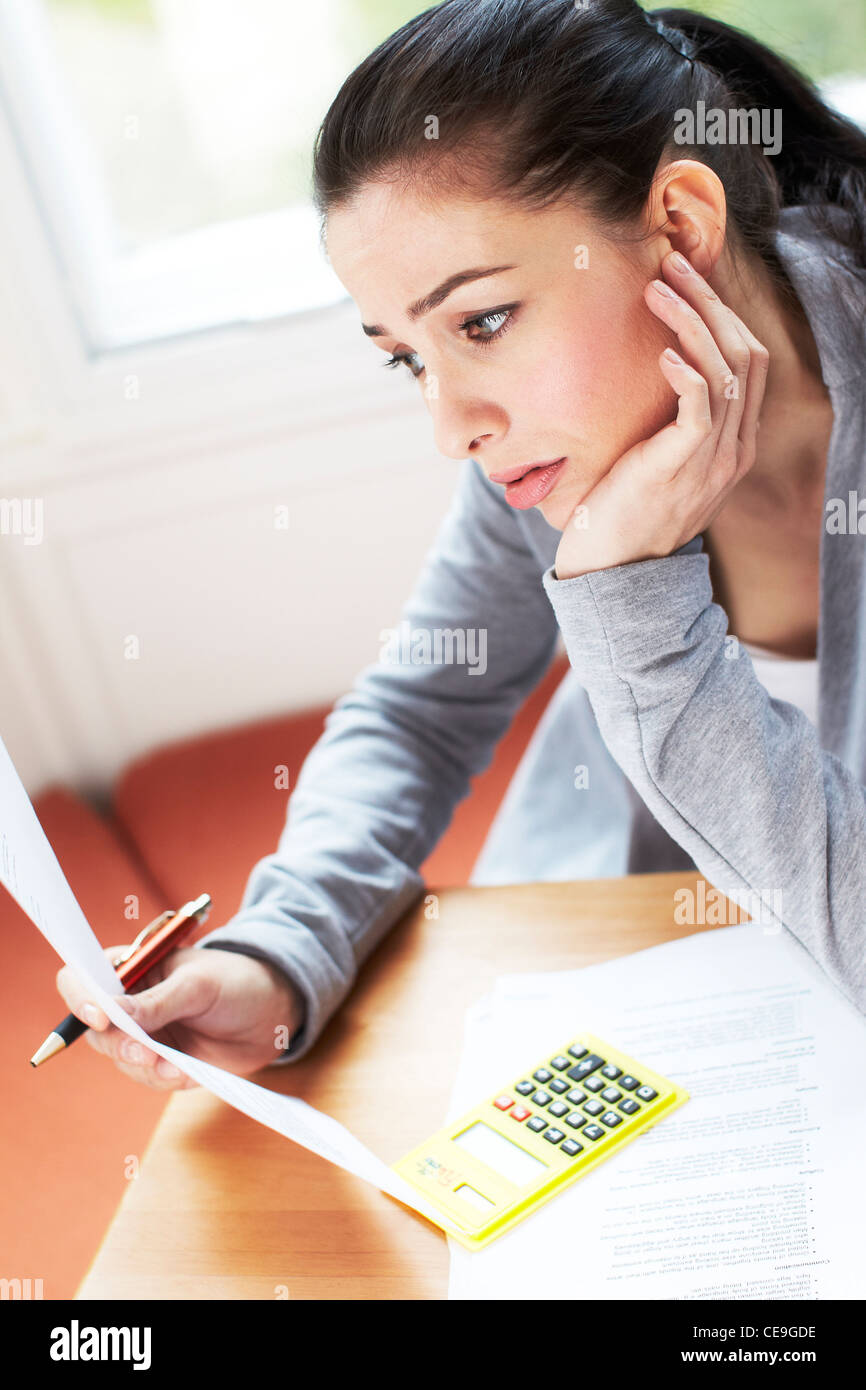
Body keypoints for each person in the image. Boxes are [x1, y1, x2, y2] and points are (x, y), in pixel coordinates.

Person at [57, 0, 866, 1089]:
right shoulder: (554, 453)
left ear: (679, 225)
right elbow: (416, 712)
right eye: (406, 357)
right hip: (657, 1009)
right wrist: (278, 949)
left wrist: (631, 600)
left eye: (481, 321)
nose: (451, 426)